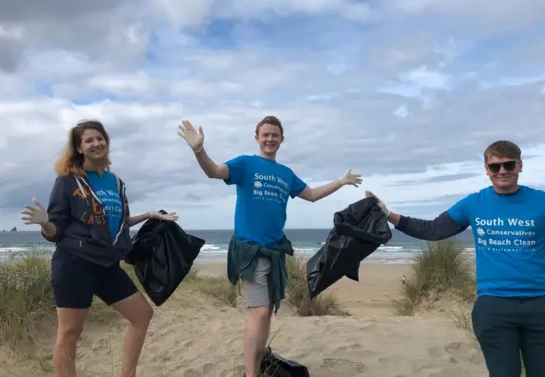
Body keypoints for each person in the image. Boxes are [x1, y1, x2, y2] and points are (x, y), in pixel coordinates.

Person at [365, 140, 545, 377]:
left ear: (520, 166)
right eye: (495, 167)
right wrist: (389, 214)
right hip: (494, 308)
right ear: (486, 169)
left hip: (542, 308)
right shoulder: (473, 203)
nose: (502, 171)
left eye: (508, 164)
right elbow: (433, 230)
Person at [177, 115, 362, 377]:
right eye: (265, 135)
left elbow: (311, 195)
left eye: (275, 135)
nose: (270, 139)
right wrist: (199, 150)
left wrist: (339, 182)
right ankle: (251, 373)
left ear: (281, 139)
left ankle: (260, 358)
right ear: (257, 137)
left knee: (267, 312)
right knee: (260, 312)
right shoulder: (245, 164)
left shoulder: (286, 174)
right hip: (250, 250)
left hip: (274, 251)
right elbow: (215, 171)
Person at [21, 120, 179, 377]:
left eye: (100, 138)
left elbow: (117, 223)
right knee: (70, 332)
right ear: (79, 148)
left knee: (142, 315)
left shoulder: (116, 183)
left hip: (107, 264)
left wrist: (150, 214)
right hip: (74, 264)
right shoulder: (68, 182)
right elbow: (56, 232)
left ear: (106, 141)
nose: (96, 144)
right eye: (88, 140)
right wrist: (45, 222)